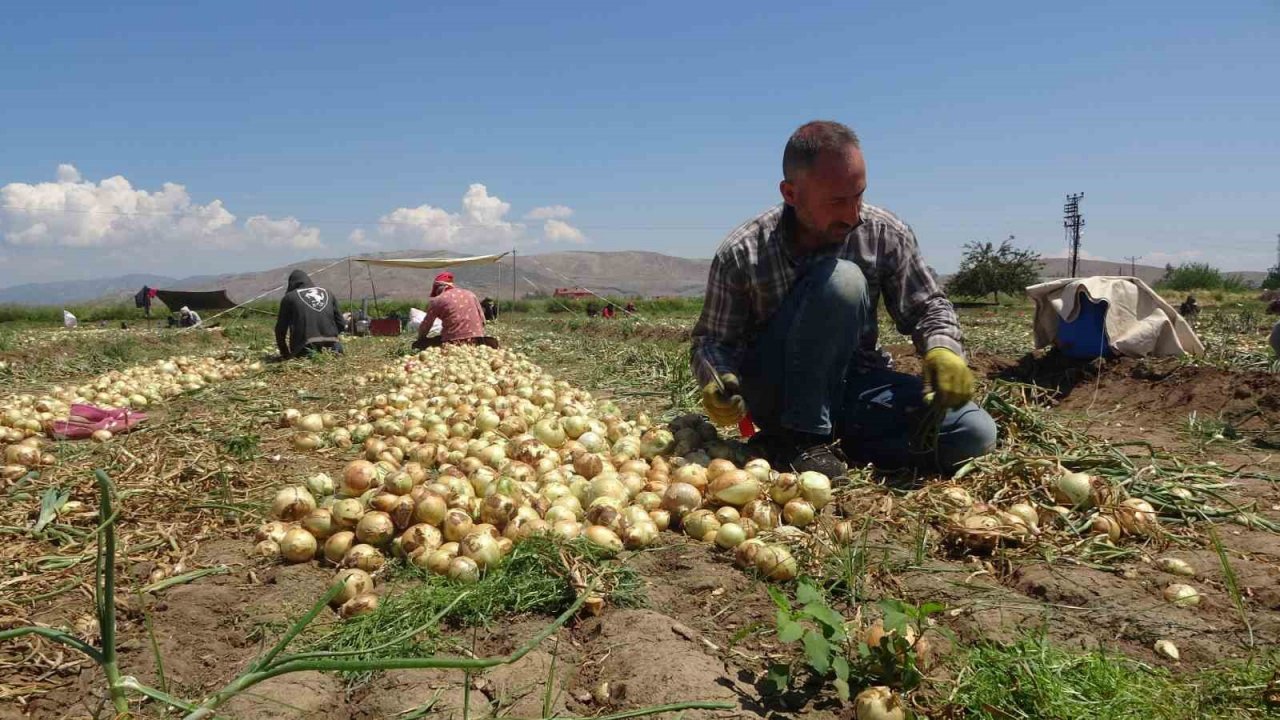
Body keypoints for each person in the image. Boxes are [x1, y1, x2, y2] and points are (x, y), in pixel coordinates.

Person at [691, 120, 997, 477]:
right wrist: (716, 378)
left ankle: (824, 443)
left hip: (856, 385)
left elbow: (928, 304)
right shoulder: (744, 252)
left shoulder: (883, 232)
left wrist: (942, 349)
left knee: (972, 434)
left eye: (859, 195)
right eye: (837, 201)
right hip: (778, 391)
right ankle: (798, 438)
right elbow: (712, 341)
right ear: (791, 194)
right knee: (844, 281)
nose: (853, 215)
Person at [275, 269, 344, 358]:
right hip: (334, 348)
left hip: (305, 349)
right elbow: (341, 323)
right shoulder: (328, 293)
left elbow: (280, 330)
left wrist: (285, 353)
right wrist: (330, 336)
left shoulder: (289, 298)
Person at [412, 272, 491, 350]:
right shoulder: (471, 294)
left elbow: (426, 325)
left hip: (452, 343)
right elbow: (483, 320)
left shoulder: (438, 300)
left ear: (438, 288)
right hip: (476, 340)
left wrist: (421, 338)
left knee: (421, 344)